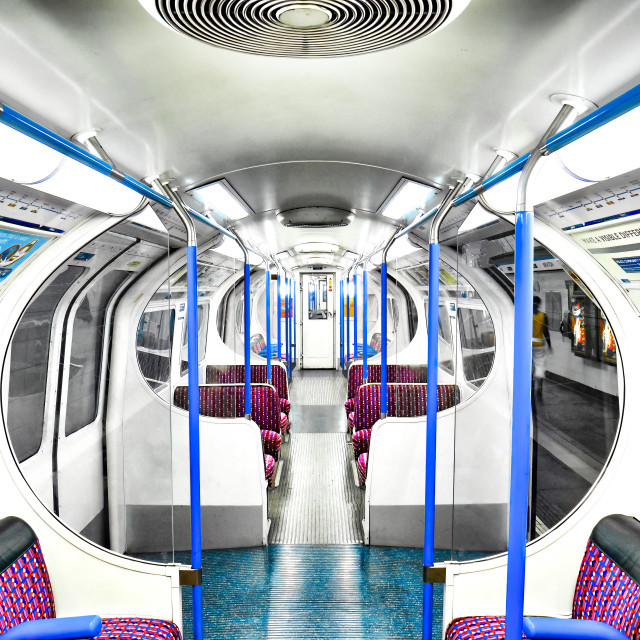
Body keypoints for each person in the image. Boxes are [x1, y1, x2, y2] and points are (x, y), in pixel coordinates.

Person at [532, 296, 552, 399]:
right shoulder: (543, 316)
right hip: (539, 345)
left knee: (529, 368)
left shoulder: (526, 316)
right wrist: (549, 344)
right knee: (540, 367)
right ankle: (539, 387)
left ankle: (530, 387)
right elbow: (546, 331)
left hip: (528, 346)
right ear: (539, 304)